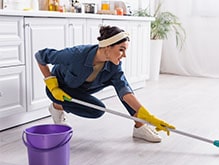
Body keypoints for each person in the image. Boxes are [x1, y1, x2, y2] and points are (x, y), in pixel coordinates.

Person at [35, 25, 175, 143]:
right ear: (107, 47)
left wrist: (147, 115)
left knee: (113, 96)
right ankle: (57, 106)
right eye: (121, 49)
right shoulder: (76, 55)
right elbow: (40, 56)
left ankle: (140, 127)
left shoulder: (114, 66)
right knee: (97, 110)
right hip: (59, 90)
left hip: (80, 91)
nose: (124, 55)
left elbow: (124, 91)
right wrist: (53, 86)